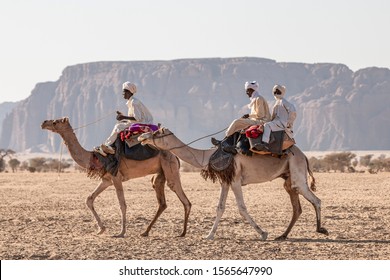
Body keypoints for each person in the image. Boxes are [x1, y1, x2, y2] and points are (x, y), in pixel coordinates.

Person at [94, 81, 153, 156]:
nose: (123, 94)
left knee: (118, 127)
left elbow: (137, 118)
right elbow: (134, 118)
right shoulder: (131, 102)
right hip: (140, 122)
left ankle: (108, 145)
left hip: (144, 123)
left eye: (124, 92)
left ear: (129, 92)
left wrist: (123, 117)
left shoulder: (134, 103)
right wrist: (122, 117)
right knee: (119, 124)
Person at [211, 81, 270, 154]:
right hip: (257, 119)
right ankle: (230, 144)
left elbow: (260, 115)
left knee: (236, 122)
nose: (246, 93)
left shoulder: (258, 99)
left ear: (252, 90)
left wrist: (249, 115)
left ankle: (223, 141)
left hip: (262, 121)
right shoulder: (256, 99)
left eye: (247, 91)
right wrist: (248, 117)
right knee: (240, 125)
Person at [255, 84, 296, 151]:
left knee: (267, 125)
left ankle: (265, 144)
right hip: (277, 122)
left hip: (282, 124)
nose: (276, 94)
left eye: (278, 92)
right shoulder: (277, 103)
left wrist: (289, 123)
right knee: (266, 125)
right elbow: (273, 116)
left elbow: (293, 111)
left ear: (281, 92)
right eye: (275, 92)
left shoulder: (283, 102)